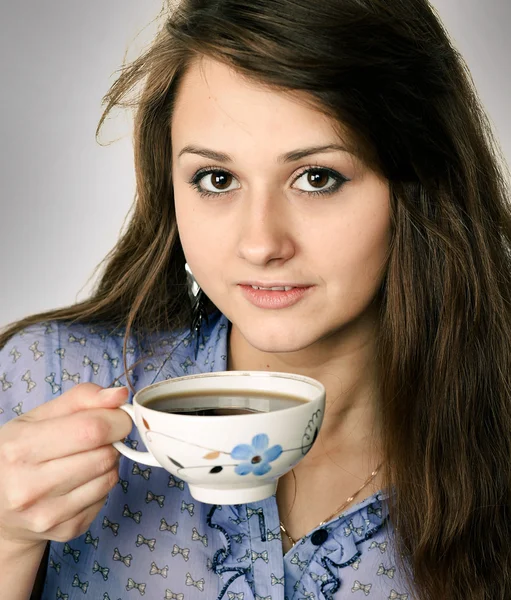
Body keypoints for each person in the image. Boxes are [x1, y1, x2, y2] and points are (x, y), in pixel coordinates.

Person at [1, 0, 510, 598]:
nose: (261, 243)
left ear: (419, 184)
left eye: (317, 177)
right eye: (218, 179)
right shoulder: (49, 378)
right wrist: (6, 541)